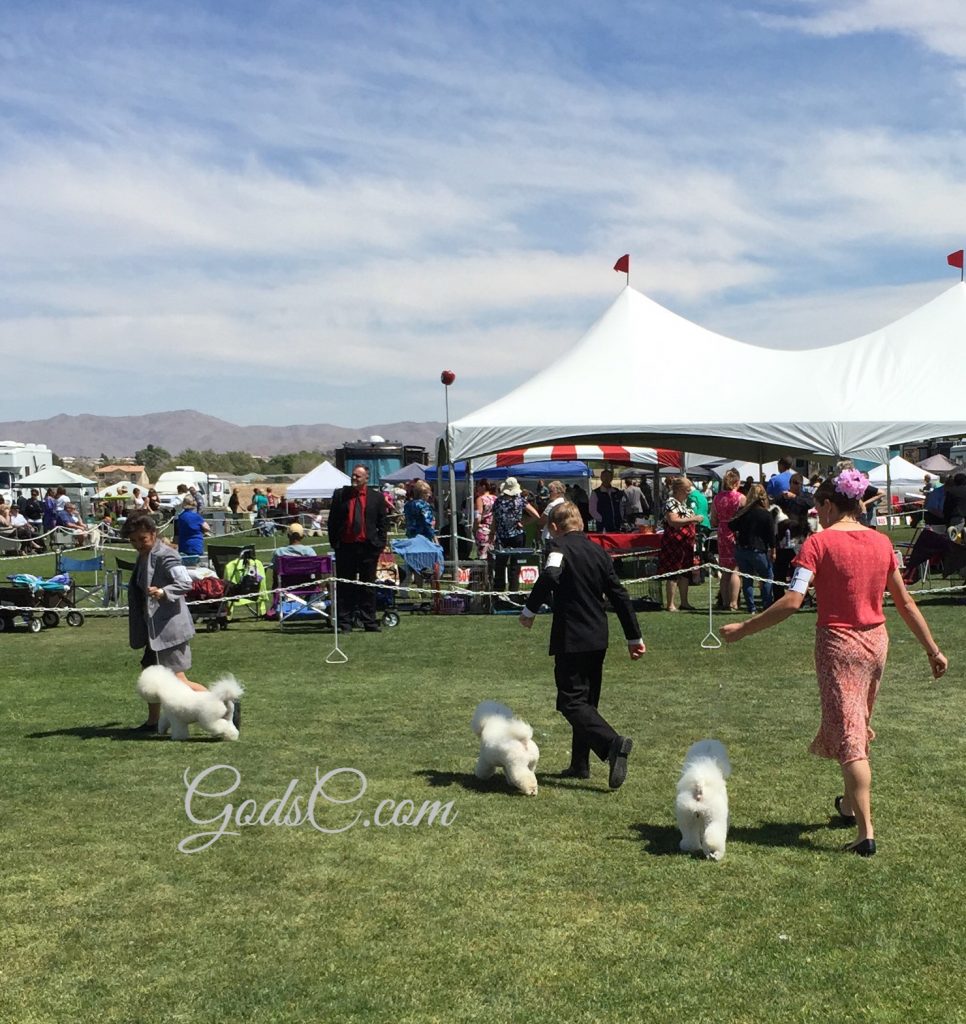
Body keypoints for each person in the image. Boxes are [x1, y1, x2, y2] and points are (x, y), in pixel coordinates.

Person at [721, 470, 947, 856]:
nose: (816, 515)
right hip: (876, 644)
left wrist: (745, 627)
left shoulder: (817, 544)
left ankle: (865, 832)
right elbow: (905, 602)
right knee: (856, 724)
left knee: (851, 737)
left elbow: (793, 601)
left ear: (828, 505)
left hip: (838, 646)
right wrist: (932, 648)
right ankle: (847, 805)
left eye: (817, 508)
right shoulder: (881, 543)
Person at [519, 501, 645, 787]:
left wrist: (529, 611)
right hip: (598, 636)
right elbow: (620, 596)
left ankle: (612, 743)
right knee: (587, 702)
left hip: (571, 637)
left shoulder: (557, 550)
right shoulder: (599, 552)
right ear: (582, 524)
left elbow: (550, 576)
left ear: (554, 528)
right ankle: (579, 764)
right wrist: (633, 637)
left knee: (570, 701)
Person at [122, 513, 210, 732]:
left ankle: (222, 705)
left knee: (177, 679)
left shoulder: (166, 555)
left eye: (142, 539)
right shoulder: (144, 555)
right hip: (153, 630)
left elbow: (185, 582)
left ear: (153, 533)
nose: (137, 544)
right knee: (150, 674)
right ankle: (153, 722)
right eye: (133, 541)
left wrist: (163, 591)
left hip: (169, 628)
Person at [327, 464, 390, 632]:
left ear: (366, 479)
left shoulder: (376, 497)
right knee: (345, 585)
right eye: (353, 475)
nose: (354, 478)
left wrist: (380, 543)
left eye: (358, 476)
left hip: (368, 548)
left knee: (367, 586)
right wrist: (335, 543)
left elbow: (383, 522)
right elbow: (332, 521)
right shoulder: (341, 495)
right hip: (346, 547)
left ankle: (369, 621)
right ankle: (345, 622)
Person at [730, 483, 776, 614]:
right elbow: (771, 535)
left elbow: (731, 525)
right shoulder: (766, 514)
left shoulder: (743, 512)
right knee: (767, 576)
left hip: (741, 549)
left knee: (747, 578)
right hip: (757, 550)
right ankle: (767, 605)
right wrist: (773, 550)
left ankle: (751, 607)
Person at [490, 477, 539, 601]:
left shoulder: (497, 502)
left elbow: (494, 521)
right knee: (515, 566)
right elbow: (536, 515)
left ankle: (498, 594)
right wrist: (523, 522)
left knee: (500, 566)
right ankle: (514, 594)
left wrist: (492, 534)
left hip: (501, 537)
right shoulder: (520, 501)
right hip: (517, 536)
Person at [658, 476, 702, 612]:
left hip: (686, 545)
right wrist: (693, 518)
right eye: (687, 490)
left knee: (685, 573)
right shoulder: (671, 502)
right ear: (679, 490)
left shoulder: (683, 504)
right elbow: (673, 521)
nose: (689, 493)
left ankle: (684, 602)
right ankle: (670, 604)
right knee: (673, 573)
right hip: (674, 544)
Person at [710, 468, 745, 611]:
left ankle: (724, 602)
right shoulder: (741, 498)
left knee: (725, 570)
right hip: (735, 532)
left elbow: (713, 520)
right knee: (736, 569)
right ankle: (733, 602)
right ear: (737, 482)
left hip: (722, 532)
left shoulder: (717, 498)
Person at [538, 480, 567, 554]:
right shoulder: (566, 503)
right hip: (563, 535)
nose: (548, 493)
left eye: (550, 491)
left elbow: (542, 521)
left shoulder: (552, 505)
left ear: (558, 493)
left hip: (550, 536)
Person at [589, 469, 623, 533]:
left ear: (611, 478)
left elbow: (621, 506)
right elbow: (592, 510)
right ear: (601, 478)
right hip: (603, 526)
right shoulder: (596, 492)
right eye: (604, 476)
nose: (606, 478)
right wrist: (601, 519)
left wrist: (620, 517)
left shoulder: (616, 491)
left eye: (609, 476)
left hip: (617, 524)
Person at [473, 480, 497, 560]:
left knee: (482, 556)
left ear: (483, 486)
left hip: (483, 530)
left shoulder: (480, 499)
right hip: (494, 530)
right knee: (493, 555)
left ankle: (483, 572)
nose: (477, 489)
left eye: (478, 486)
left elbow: (478, 516)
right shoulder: (496, 498)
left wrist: (475, 527)